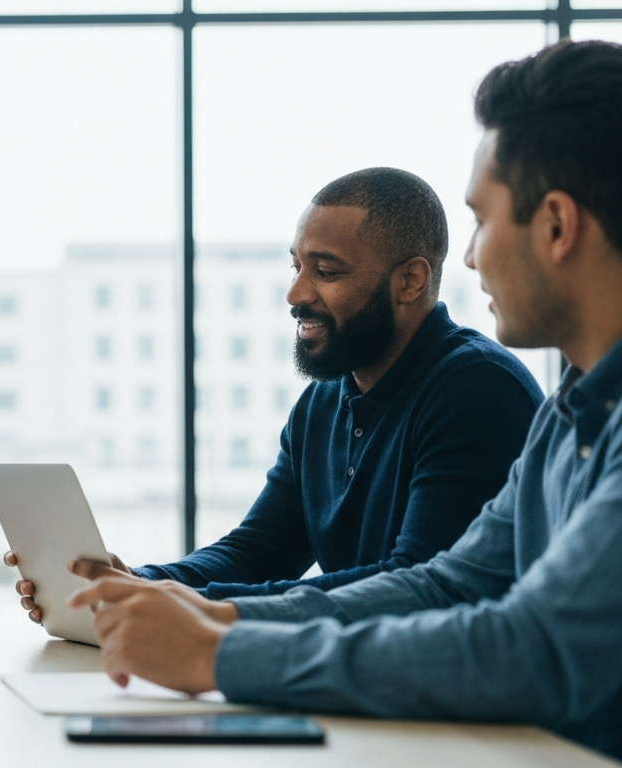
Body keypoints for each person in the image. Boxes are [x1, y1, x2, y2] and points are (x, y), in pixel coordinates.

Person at [65, 39, 622, 759]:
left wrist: (218, 651)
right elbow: (446, 585)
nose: (471, 255)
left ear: (556, 226)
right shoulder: (569, 411)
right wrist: (207, 613)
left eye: (483, 222)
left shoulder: (485, 386)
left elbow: (529, 648)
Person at [9, 168, 543, 620]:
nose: (296, 293)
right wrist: (136, 583)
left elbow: (418, 587)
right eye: (297, 266)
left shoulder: (477, 391)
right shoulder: (322, 402)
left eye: (326, 271)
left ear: (410, 281)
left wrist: (193, 606)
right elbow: (259, 550)